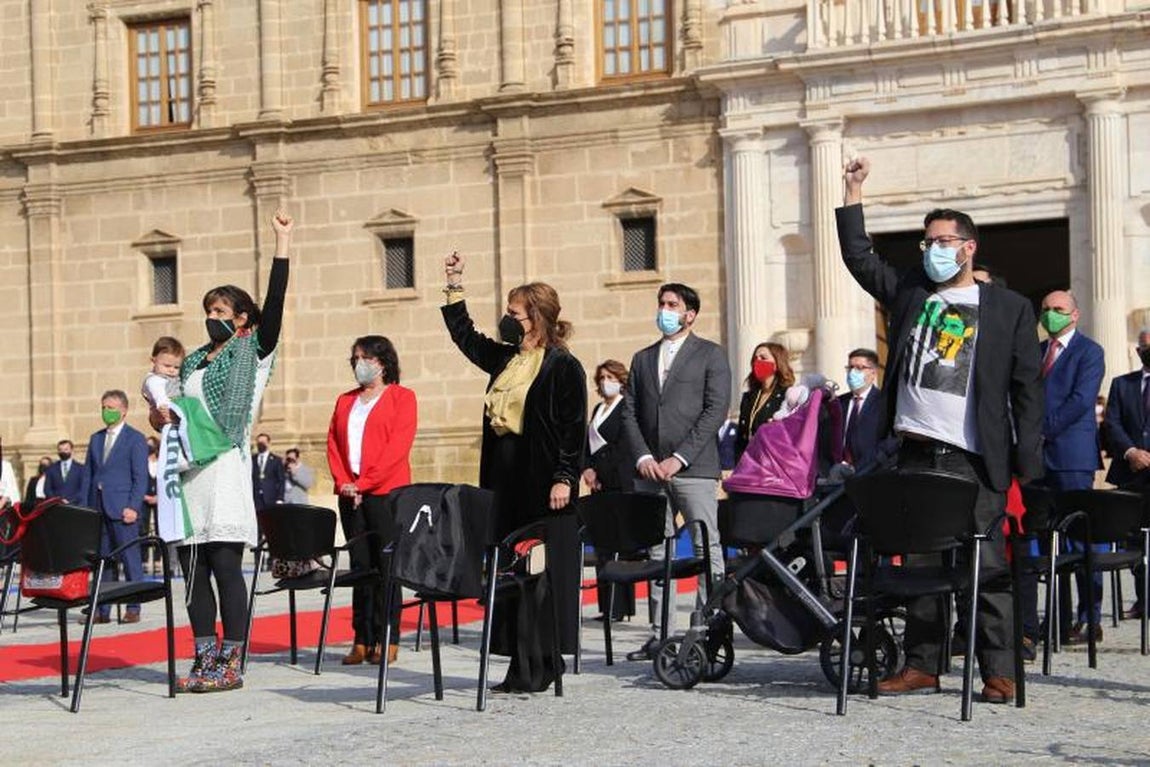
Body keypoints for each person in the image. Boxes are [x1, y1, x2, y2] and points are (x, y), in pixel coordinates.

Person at [837, 156, 1044, 705]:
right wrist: (853, 192)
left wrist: (1029, 464)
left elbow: (1027, 388)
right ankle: (922, 664)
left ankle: (998, 670)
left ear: (969, 247)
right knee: (921, 561)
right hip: (914, 453)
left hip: (975, 458)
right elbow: (859, 258)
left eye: (942, 241)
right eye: (927, 242)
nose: (932, 250)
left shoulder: (1009, 308)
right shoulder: (909, 292)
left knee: (989, 567)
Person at [157, 209, 293, 693]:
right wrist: (160, 412)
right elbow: (172, 405)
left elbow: (275, 305)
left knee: (223, 565)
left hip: (223, 467)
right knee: (192, 570)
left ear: (241, 319)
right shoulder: (193, 359)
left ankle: (231, 662)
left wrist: (281, 243)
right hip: (188, 472)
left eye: (221, 312)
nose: (212, 318)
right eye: (208, 311)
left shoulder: (252, 350)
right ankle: (202, 658)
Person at [441, 252, 586, 693]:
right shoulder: (506, 359)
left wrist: (565, 477)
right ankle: (520, 662)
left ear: (535, 318)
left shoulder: (563, 365)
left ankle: (541, 664)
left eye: (514, 313)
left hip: (541, 482)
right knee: (510, 572)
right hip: (503, 478)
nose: (507, 319)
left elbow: (572, 427)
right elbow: (466, 337)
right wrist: (454, 285)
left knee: (539, 573)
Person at [619, 282, 732, 661]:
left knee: (706, 546)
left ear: (690, 314)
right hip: (650, 471)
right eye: (661, 303)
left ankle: (707, 627)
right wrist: (643, 458)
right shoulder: (642, 358)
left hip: (694, 468)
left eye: (672, 304)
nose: (664, 310)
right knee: (657, 550)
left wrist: (679, 458)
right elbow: (629, 411)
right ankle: (660, 635)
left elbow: (714, 410)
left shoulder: (710, 355)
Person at [326, 335, 417, 666]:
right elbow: (333, 444)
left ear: (382, 362)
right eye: (354, 359)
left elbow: (397, 448)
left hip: (385, 495)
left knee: (386, 567)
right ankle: (361, 637)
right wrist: (344, 482)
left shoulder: (402, 398)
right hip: (351, 496)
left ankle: (387, 637)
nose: (358, 365)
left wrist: (366, 482)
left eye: (363, 358)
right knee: (360, 567)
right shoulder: (345, 400)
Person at [1032, 290, 1105, 645]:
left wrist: (1042, 431)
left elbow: (1080, 400)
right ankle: (1056, 619)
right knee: (1047, 542)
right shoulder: (1036, 352)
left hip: (1071, 457)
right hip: (1037, 459)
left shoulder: (1089, 352)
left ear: (1074, 315)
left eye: (1058, 310)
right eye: (1045, 310)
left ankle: (1090, 618)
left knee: (1079, 540)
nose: (1050, 315)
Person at [84, 390, 151, 624]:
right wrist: (86, 509)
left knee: (130, 559)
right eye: (103, 407)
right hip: (99, 509)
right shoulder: (96, 438)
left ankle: (134, 607)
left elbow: (140, 477)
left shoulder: (135, 439)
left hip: (123, 510)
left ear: (123, 410)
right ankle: (102, 610)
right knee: (104, 561)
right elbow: (88, 476)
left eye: (111, 407)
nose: (106, 411)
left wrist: (134, 506)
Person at [582, 359, 635, 622]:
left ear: (621, 380)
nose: (606, 381)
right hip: (598, 485)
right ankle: (606, 605)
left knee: (619, 545)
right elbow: (586, 445)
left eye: (611, 377)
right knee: (602, 546)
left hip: (618, 482)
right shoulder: (598, 409)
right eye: (602, 377)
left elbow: (623, 446)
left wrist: (602, 472)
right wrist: (587, 470)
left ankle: (620, 606)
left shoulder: (626, 408)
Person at [1103, 328, 1150, 620]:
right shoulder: (1122, 384)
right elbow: (1112, 422)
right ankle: (1143, 600)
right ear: (1137, 349)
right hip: (1131, 472)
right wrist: (1131, 452)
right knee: (1134, 541)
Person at [734, 342, 793, 460]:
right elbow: (741, 438)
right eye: (755, 359)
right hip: (749, 464)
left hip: (773, 463)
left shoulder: (787, 395)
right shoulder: (748, 398)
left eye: (763, 358)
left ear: (777, 364)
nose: (758, 361)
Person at [836, 349, 892, 470]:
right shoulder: (839, 403)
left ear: (873, 373)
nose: (852, 372)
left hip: (872, 474)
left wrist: (868, 465)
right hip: (840, 475)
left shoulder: (884, 403)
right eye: (850, 367)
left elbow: (890, 441)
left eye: (859, 368)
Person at [142, 336, 185, 418]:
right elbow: (159, 394)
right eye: (167, 366)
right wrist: (163, 406)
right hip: (169, 411)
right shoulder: (154, 380)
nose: (171, 370)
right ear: (154, 361)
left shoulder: (174, 377)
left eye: (176, 367)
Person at [44, 439, 88, 505]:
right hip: (56, 506)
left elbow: (83, 489)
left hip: (75, 506)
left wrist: (71, 501)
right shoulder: (51, 469)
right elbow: (47, 489)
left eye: (66, 449)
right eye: (60, 450)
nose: (63, 452)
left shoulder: (81, 468)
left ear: (72, 450)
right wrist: (57, 500)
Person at [251, 433, 285, 512]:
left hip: (271, 498)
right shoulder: (252, 459)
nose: (261, 445)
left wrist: (280, 498)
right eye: (259, 443)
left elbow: (281, 480)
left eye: (263, 442)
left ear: (269, 443)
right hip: (255, 498)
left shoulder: (276, 460)